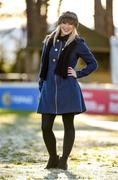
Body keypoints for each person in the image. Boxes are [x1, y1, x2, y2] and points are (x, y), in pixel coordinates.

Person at [37, 11, 98, 170]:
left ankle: (63, 160)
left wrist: (78, 73)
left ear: (74, 26)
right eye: (64, 22)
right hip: (49, 89)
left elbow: (93, 63)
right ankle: (53, 157)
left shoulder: (78, 43)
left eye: (70, 23)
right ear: (59, 23)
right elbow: (43, 66)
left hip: (68, 90)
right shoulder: (49, 40)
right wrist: (42, 86)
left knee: (68, 125)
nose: (67, 26)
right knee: (45, 126)